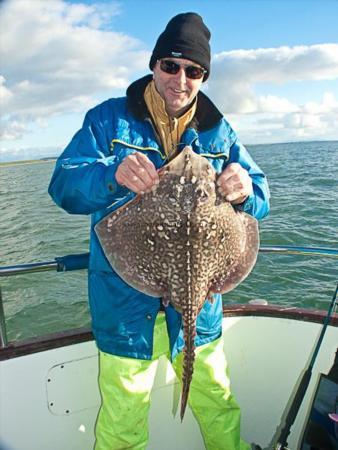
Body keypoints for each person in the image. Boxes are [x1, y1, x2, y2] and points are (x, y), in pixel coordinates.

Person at [49, 12, 270, 450]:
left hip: (202, 304)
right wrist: (113, 175)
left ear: (203, 76)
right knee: (123, 420)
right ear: (154, 65)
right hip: (125, 304)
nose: (181, 79)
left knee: (217, 403)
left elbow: (261, 197)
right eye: (171, 65)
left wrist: (245, 190)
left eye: (194, 71)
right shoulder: (108, 122)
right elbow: (64, 185)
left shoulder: (220, 132)